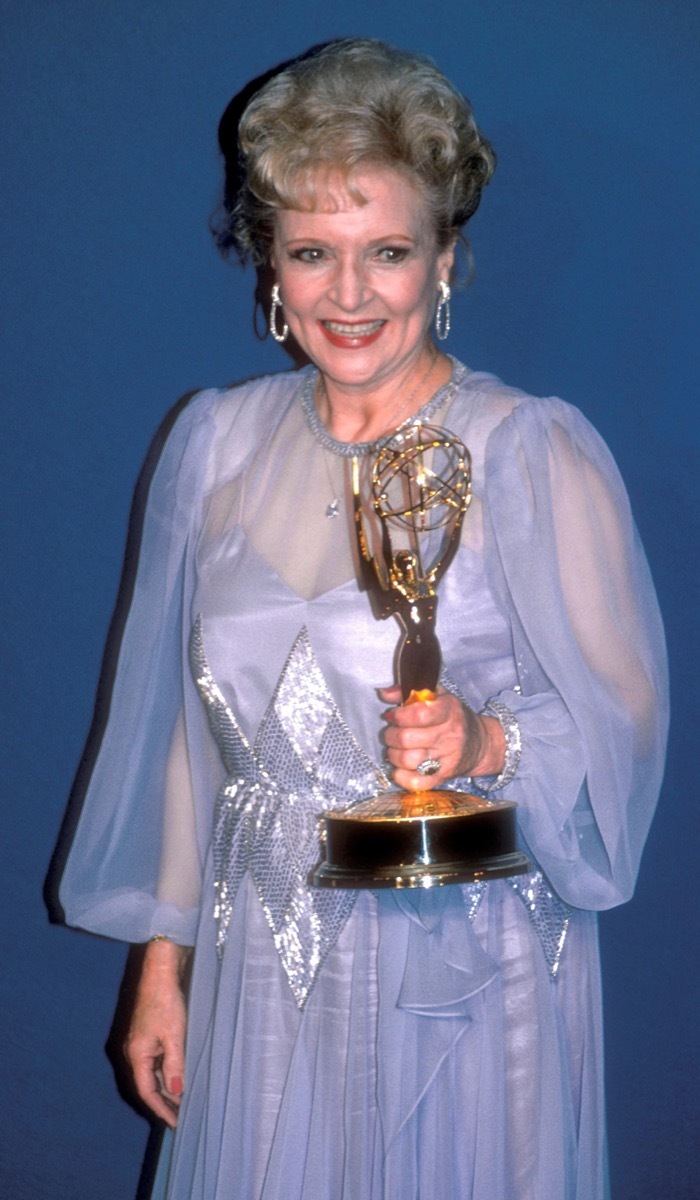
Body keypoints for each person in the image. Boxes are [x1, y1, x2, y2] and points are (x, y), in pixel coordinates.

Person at [59, 38, 668, 1200]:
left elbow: (625, 717)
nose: (348, 294)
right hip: (262, 962)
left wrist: (486, 744)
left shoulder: (526, 449)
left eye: (386, 252)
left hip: (465, 959)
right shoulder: (215, 445)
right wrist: (162, 963)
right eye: (311, 254)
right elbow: (192, 743)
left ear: (445, 261)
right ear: (269, 270)